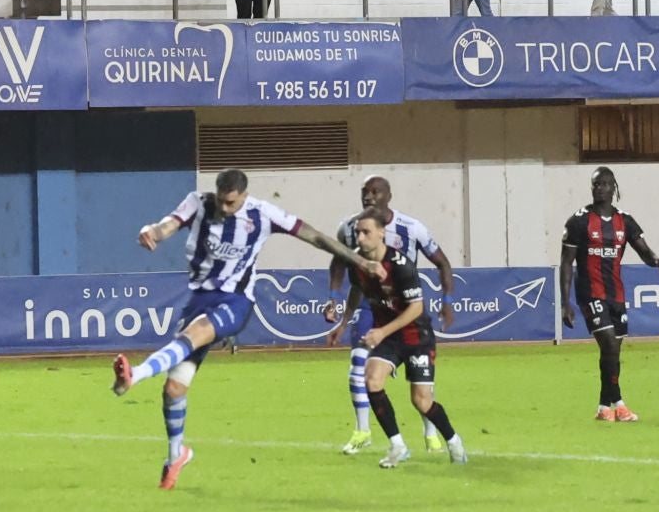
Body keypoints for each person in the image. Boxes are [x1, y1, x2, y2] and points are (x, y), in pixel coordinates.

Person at [111, 168, 382, 490]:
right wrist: (151, 232)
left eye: (231, 203)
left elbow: (317, 238)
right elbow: (165, 226)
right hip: (199, 299)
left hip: (236, 301)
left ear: (243, 195)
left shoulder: (264, 214)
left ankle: (136, 375)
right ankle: (176, 455)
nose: (225, 209)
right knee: (174, 389)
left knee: (192, 335)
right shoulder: (197, 203)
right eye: (221, 202)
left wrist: (362, 263)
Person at [325, 177, 456, 455]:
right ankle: (362, 431)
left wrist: (447, 300)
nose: (369, 196)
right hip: (370, 306)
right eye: (365, 192)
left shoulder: (412, 228)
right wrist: (337, 304)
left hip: (406, 307)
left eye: (375, 192)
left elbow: (442, 262)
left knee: (419, 383)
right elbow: (339, 262)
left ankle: (430, 432)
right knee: (359, 365)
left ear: (389, 196)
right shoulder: (350, 228)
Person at [561, 167, 659, 421]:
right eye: (596, 184)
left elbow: (642, 249)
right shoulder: (579, 221)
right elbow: (566, 263)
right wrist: (565, 303)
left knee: (612, 352)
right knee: (608, 343)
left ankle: (603, 406)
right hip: (590, 292)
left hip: (616, 294)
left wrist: (654, 260)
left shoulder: (625, 221)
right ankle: (619, 402)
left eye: (605, 184)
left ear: (613, 188)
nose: (600, 188)